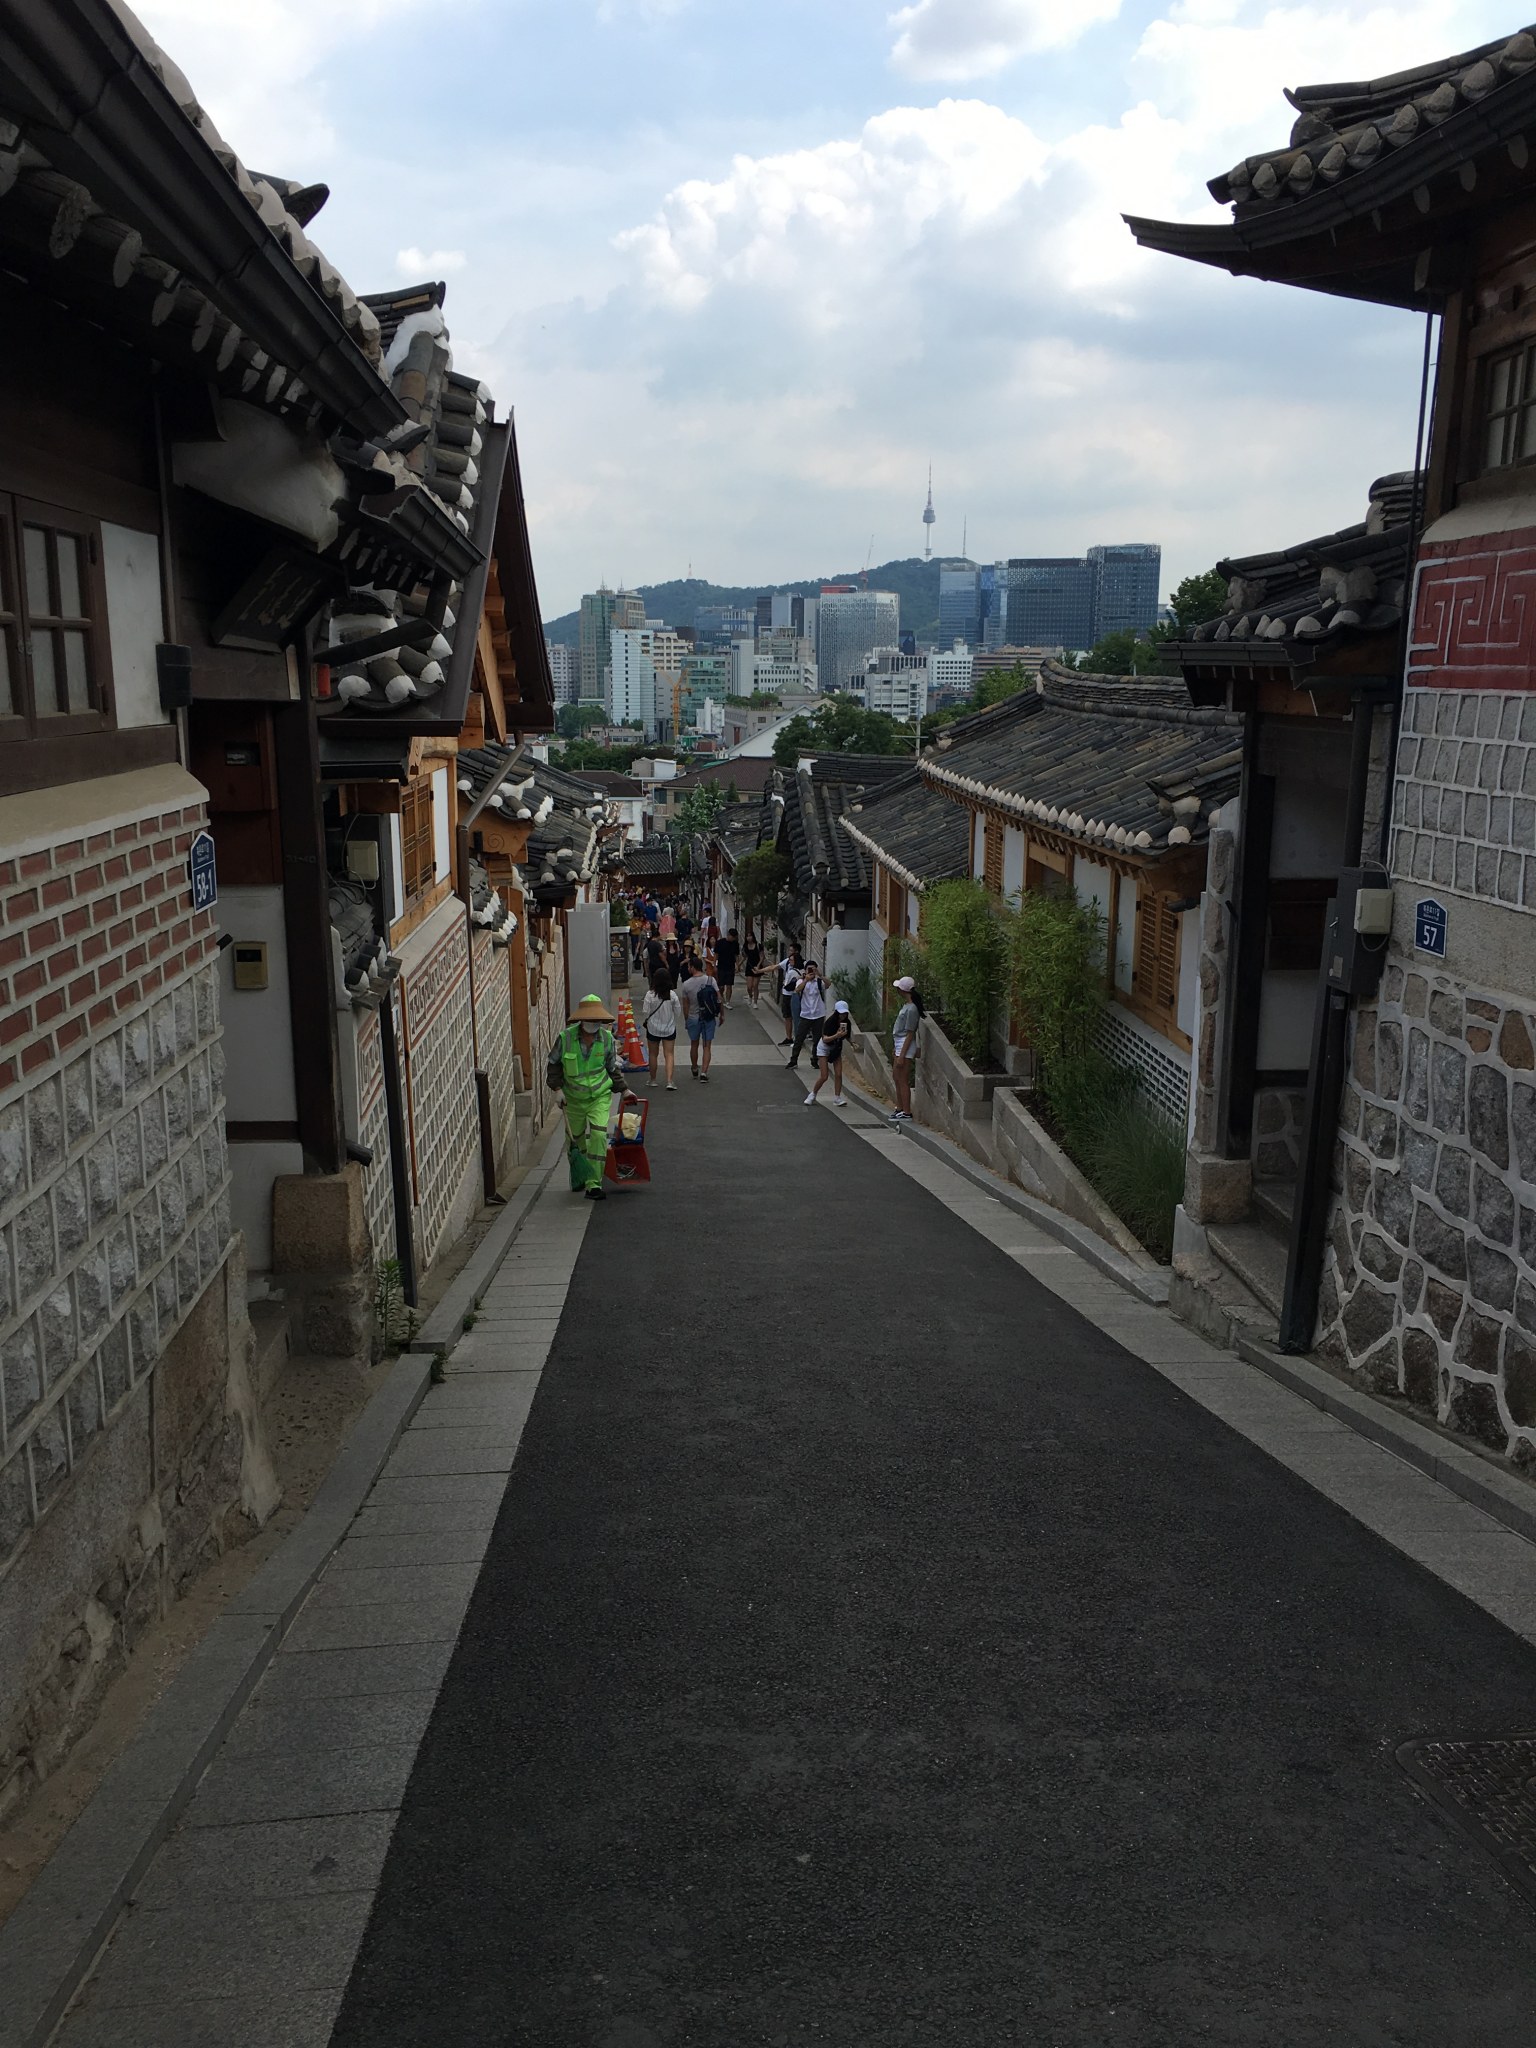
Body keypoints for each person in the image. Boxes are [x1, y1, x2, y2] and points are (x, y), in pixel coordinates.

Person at [546, 993, 622, 1199]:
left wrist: (624, 1089)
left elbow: (612, 1068)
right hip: (573, 1100)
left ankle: (594, 1183)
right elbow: (553, 1065)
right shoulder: (565, 1038)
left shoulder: (606, 1039)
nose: (593, 1024)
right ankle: (579, 1175)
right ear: (581, 1020)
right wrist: (557, 1089)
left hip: (599, 1097)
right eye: (590, 1020)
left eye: (597, 1020)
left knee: (598, 1136)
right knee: (575, 1141)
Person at [680, 953, 722, 1079]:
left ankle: (694, 1067)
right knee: (707, 1045)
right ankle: (704, 1072)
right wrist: (722, 1014)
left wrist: (686, 1019)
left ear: (693, 967)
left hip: (693, 1017)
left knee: (694, 1044)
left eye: (689, 966)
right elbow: (719, 998)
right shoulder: (710, 980)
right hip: (709, 1017)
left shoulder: (686, 984)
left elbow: (685, 1005)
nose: (688, 968)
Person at [890, 975, 924, 1122]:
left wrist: (902, 1055)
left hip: (905, 1043)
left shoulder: (912, 1009)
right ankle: (900, 1108)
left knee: (902, 1079)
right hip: (899, 1042)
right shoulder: (907, 1006)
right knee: (896, 1077)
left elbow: (910, 1033)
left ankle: (907, 1111)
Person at [806, 998, 852, 1107]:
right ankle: (813, 1094)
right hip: (824, 1048)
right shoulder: (830, 1022)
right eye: (841, 1013)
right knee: (824, 1076)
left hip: (836, 1048)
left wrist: (852, 1042)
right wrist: (837, 1035)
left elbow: (847, 1035)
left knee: (839, 1074)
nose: (843, 1015)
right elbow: (825, 1039)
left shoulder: (847, 1023)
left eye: (845, 1013)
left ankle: (837, 1097)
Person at [641, 966, 680, 1089]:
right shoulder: (672, 995)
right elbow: (678, 1012)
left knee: (653, 1054)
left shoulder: (650, 995)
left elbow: (645, 1012)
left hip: (653, 1028)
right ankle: (669, 1081)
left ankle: (653, 1080)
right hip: (669, 1028)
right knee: (669, 1054)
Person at [788, 959, 827, 1069]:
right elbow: (797, 990)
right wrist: (806, 980)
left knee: (817, 1039)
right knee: (799, 1038)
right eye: (809, 969)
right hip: (806, 1014)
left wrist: (820, 975)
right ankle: (794, 1060)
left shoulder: (819, 982)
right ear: (805, 971)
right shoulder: (801, 981)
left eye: (813, 969)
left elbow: (828, 984)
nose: (811, 971)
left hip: (818, 1014)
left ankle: (815, 1059)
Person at [777, 944, 802, 1046]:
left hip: (789, 995)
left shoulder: (792, 971)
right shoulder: (801, 969)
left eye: (791, 960)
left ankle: (790, 1037)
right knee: (795, 1017)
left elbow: (786, 984)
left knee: (789, 1017)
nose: (790, 961)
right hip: (796, 995)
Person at [715, 927, 740, 1008]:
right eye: (732, 937)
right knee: (721, 986)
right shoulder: (720, 942)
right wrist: (715, 965)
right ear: (728, 935)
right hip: (721, 966)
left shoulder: (735, 944)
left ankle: (728, 1002)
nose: (733, 939)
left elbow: (736, 955)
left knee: (729, 985)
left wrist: (737, 965)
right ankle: (720, 997)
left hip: (730, 967)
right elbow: (716, 954)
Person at [743, 932, 764, 1006]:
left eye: (750, 936)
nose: (749, 938)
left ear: (753, 937)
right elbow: (745, 956)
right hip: (749, 967)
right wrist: (738, 964)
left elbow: (762, 957)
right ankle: (750, 996)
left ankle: (755, 1002)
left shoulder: (758, 946)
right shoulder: (745, 946)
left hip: (757, 967)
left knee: (755, 985)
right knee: (749, 987)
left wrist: (758, 966)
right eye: (747, 936)